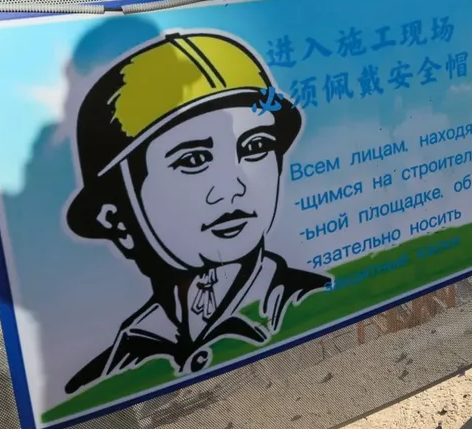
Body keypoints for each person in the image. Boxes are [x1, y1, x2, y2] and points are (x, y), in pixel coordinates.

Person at [63, 31, 331, 395]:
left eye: (255, 146)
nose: (233, 187)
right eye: (193, 160)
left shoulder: (319, 302)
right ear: (117, 218)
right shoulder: (102, 379)